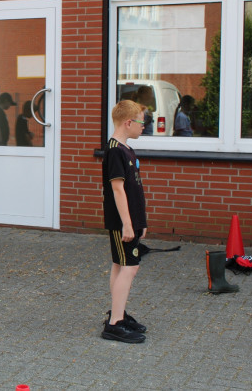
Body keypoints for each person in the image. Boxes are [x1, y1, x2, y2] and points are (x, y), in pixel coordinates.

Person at [101, 99, 148, 343]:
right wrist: (127, 224)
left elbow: (134, 189)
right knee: (130, 266)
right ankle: (114, 324)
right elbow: (118, 190)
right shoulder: (115, 151)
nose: (144, 126)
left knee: (121, 265)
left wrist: (140, 220)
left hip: (131, 219)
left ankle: (117, 313)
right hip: (122, 222)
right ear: (128, 122)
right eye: (141, 122)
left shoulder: (126, 149)